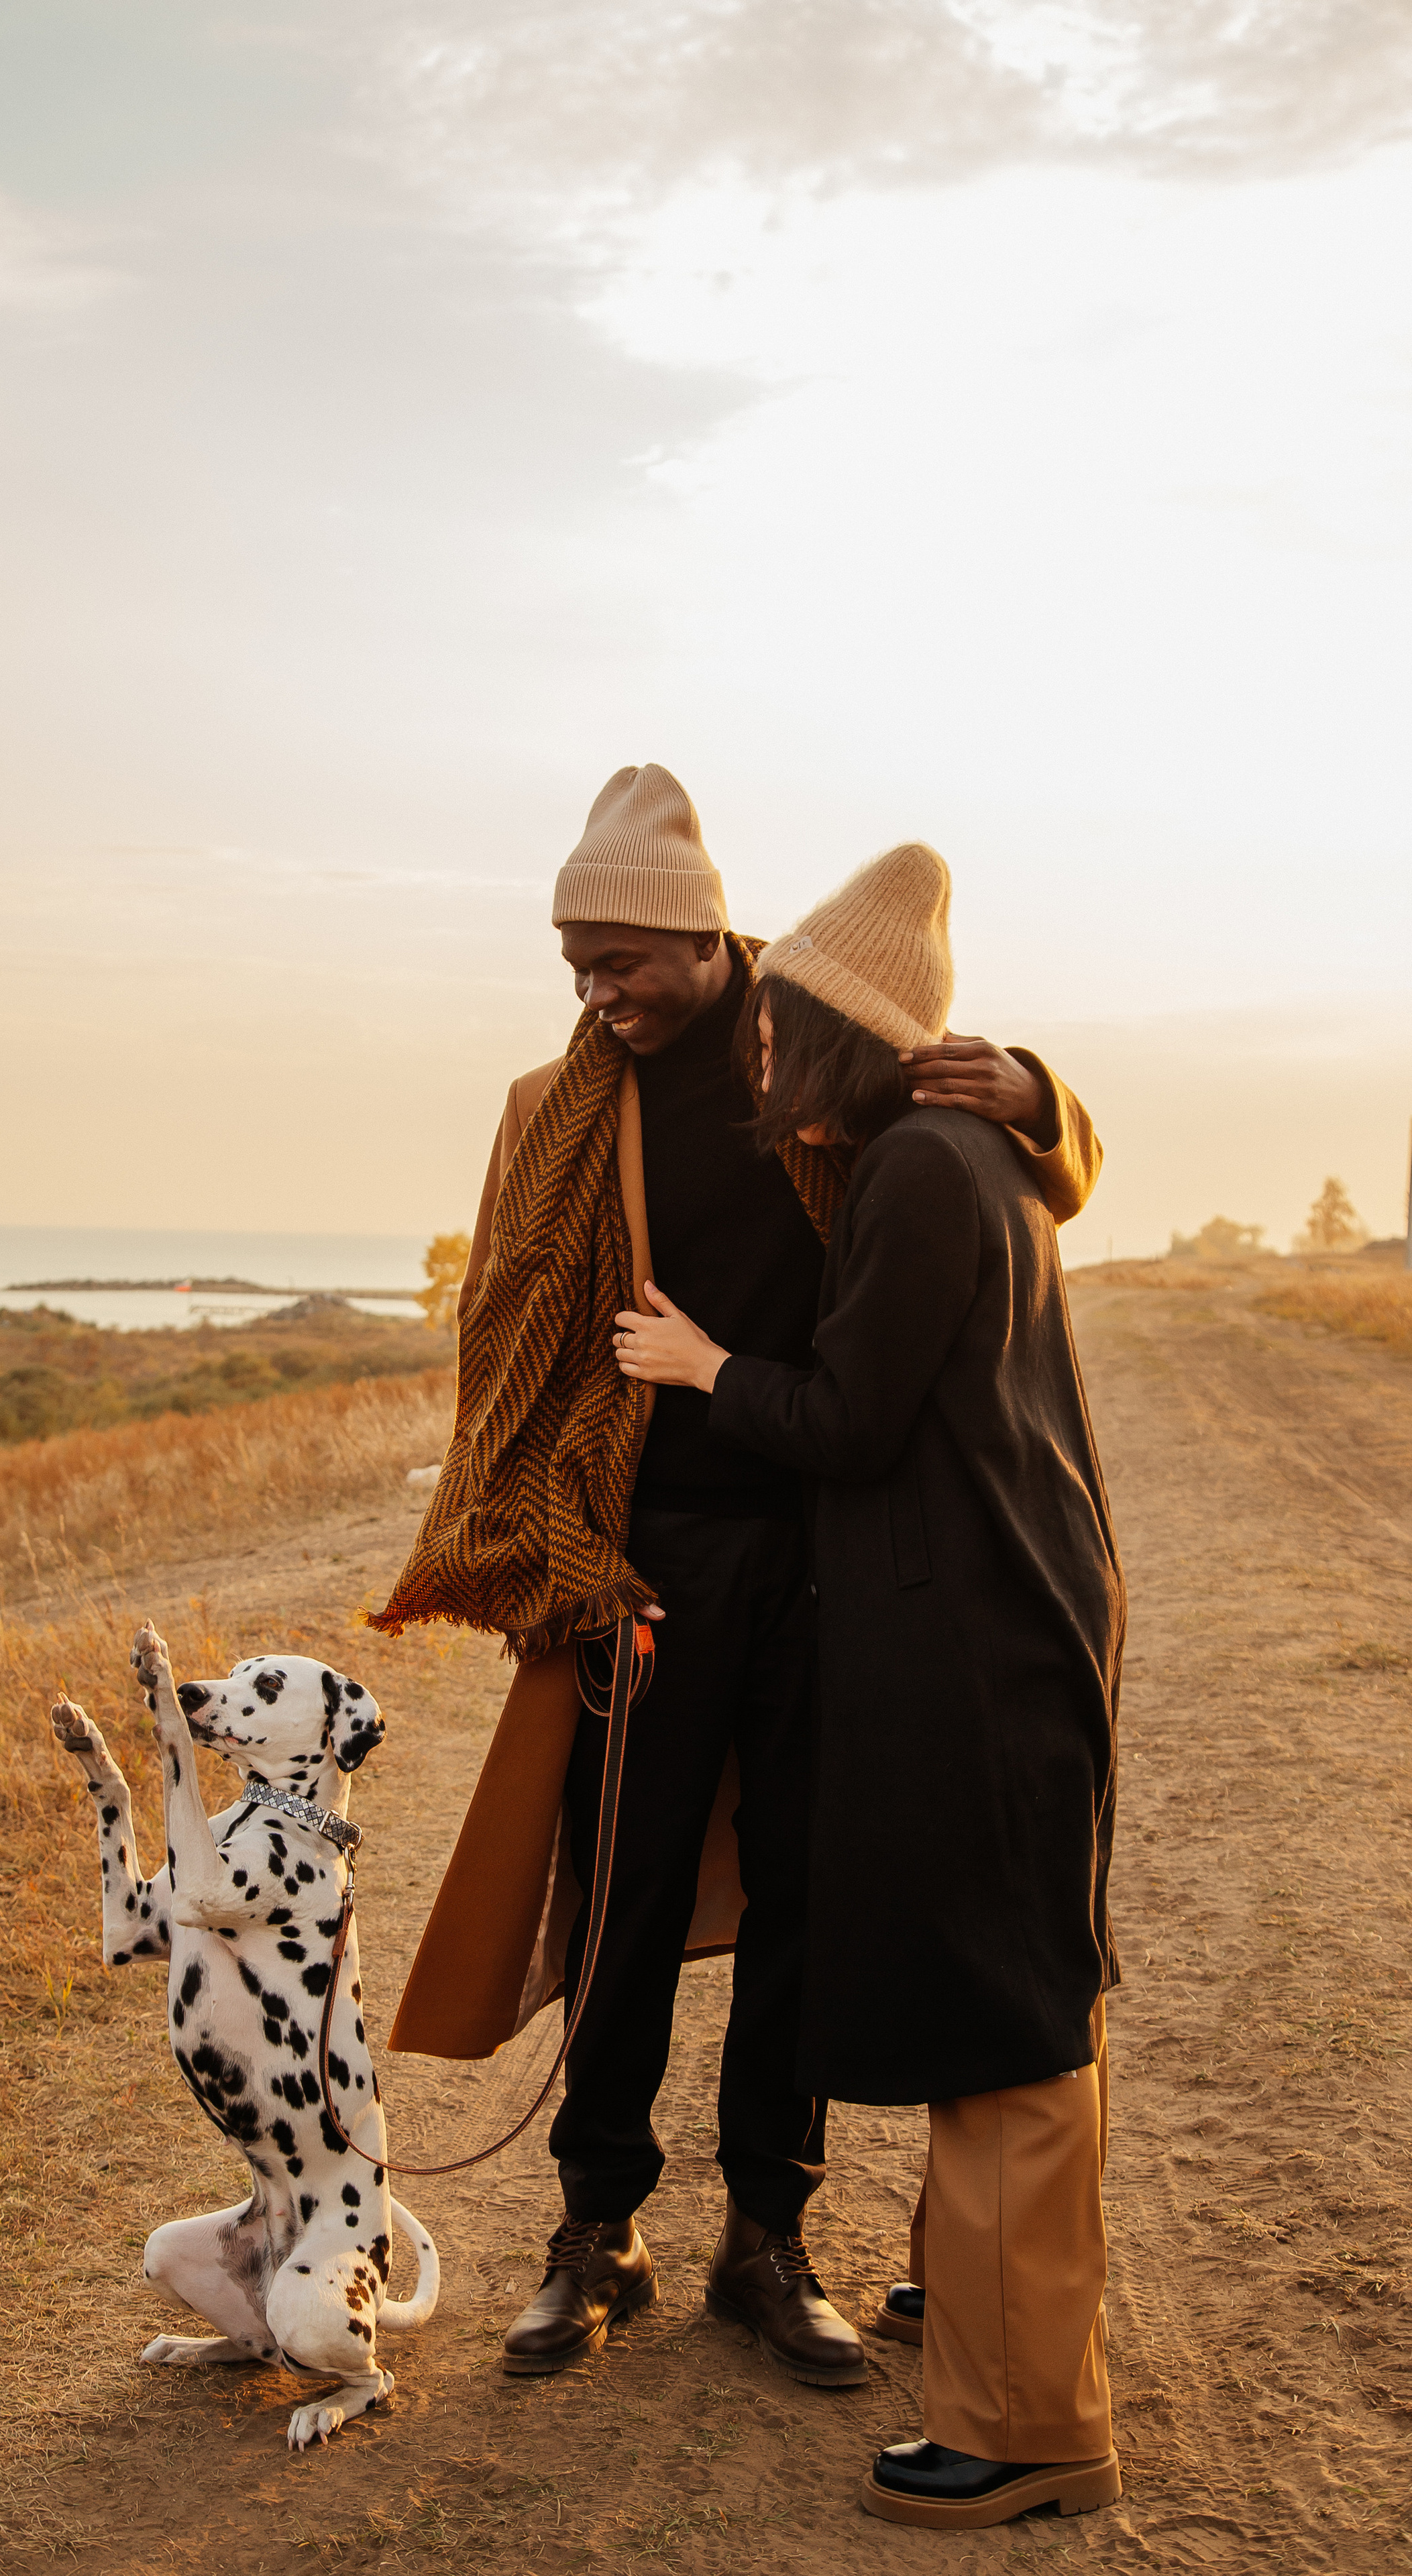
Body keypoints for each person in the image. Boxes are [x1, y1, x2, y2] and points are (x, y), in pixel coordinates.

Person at [369, 766, 1103, 2389]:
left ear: (705, 939)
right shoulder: (551, 1110)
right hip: (643, 1567)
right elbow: (505, 1344)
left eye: (619, 959)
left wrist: (1043, 1092)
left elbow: (1015, 1177)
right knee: (620, 1899)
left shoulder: (826, 1037)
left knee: (801, 1904)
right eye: (574, 963)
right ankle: (596, 2230)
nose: (594, 990)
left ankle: (767, 2237)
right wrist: (567, 1556)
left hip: (834, 1552)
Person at [612, 839, 1124, 2529]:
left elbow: (847, 1421)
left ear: (835, 1033)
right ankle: (977, 2304)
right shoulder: (964, 1151)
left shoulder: (916, 1168)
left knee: (1007, 2018)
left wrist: (704, 1367)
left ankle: (1025, 2425)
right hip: (1000, 1617)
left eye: (776, 1025)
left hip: (973, 1638)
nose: (754, 1047)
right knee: (1010, 1988)